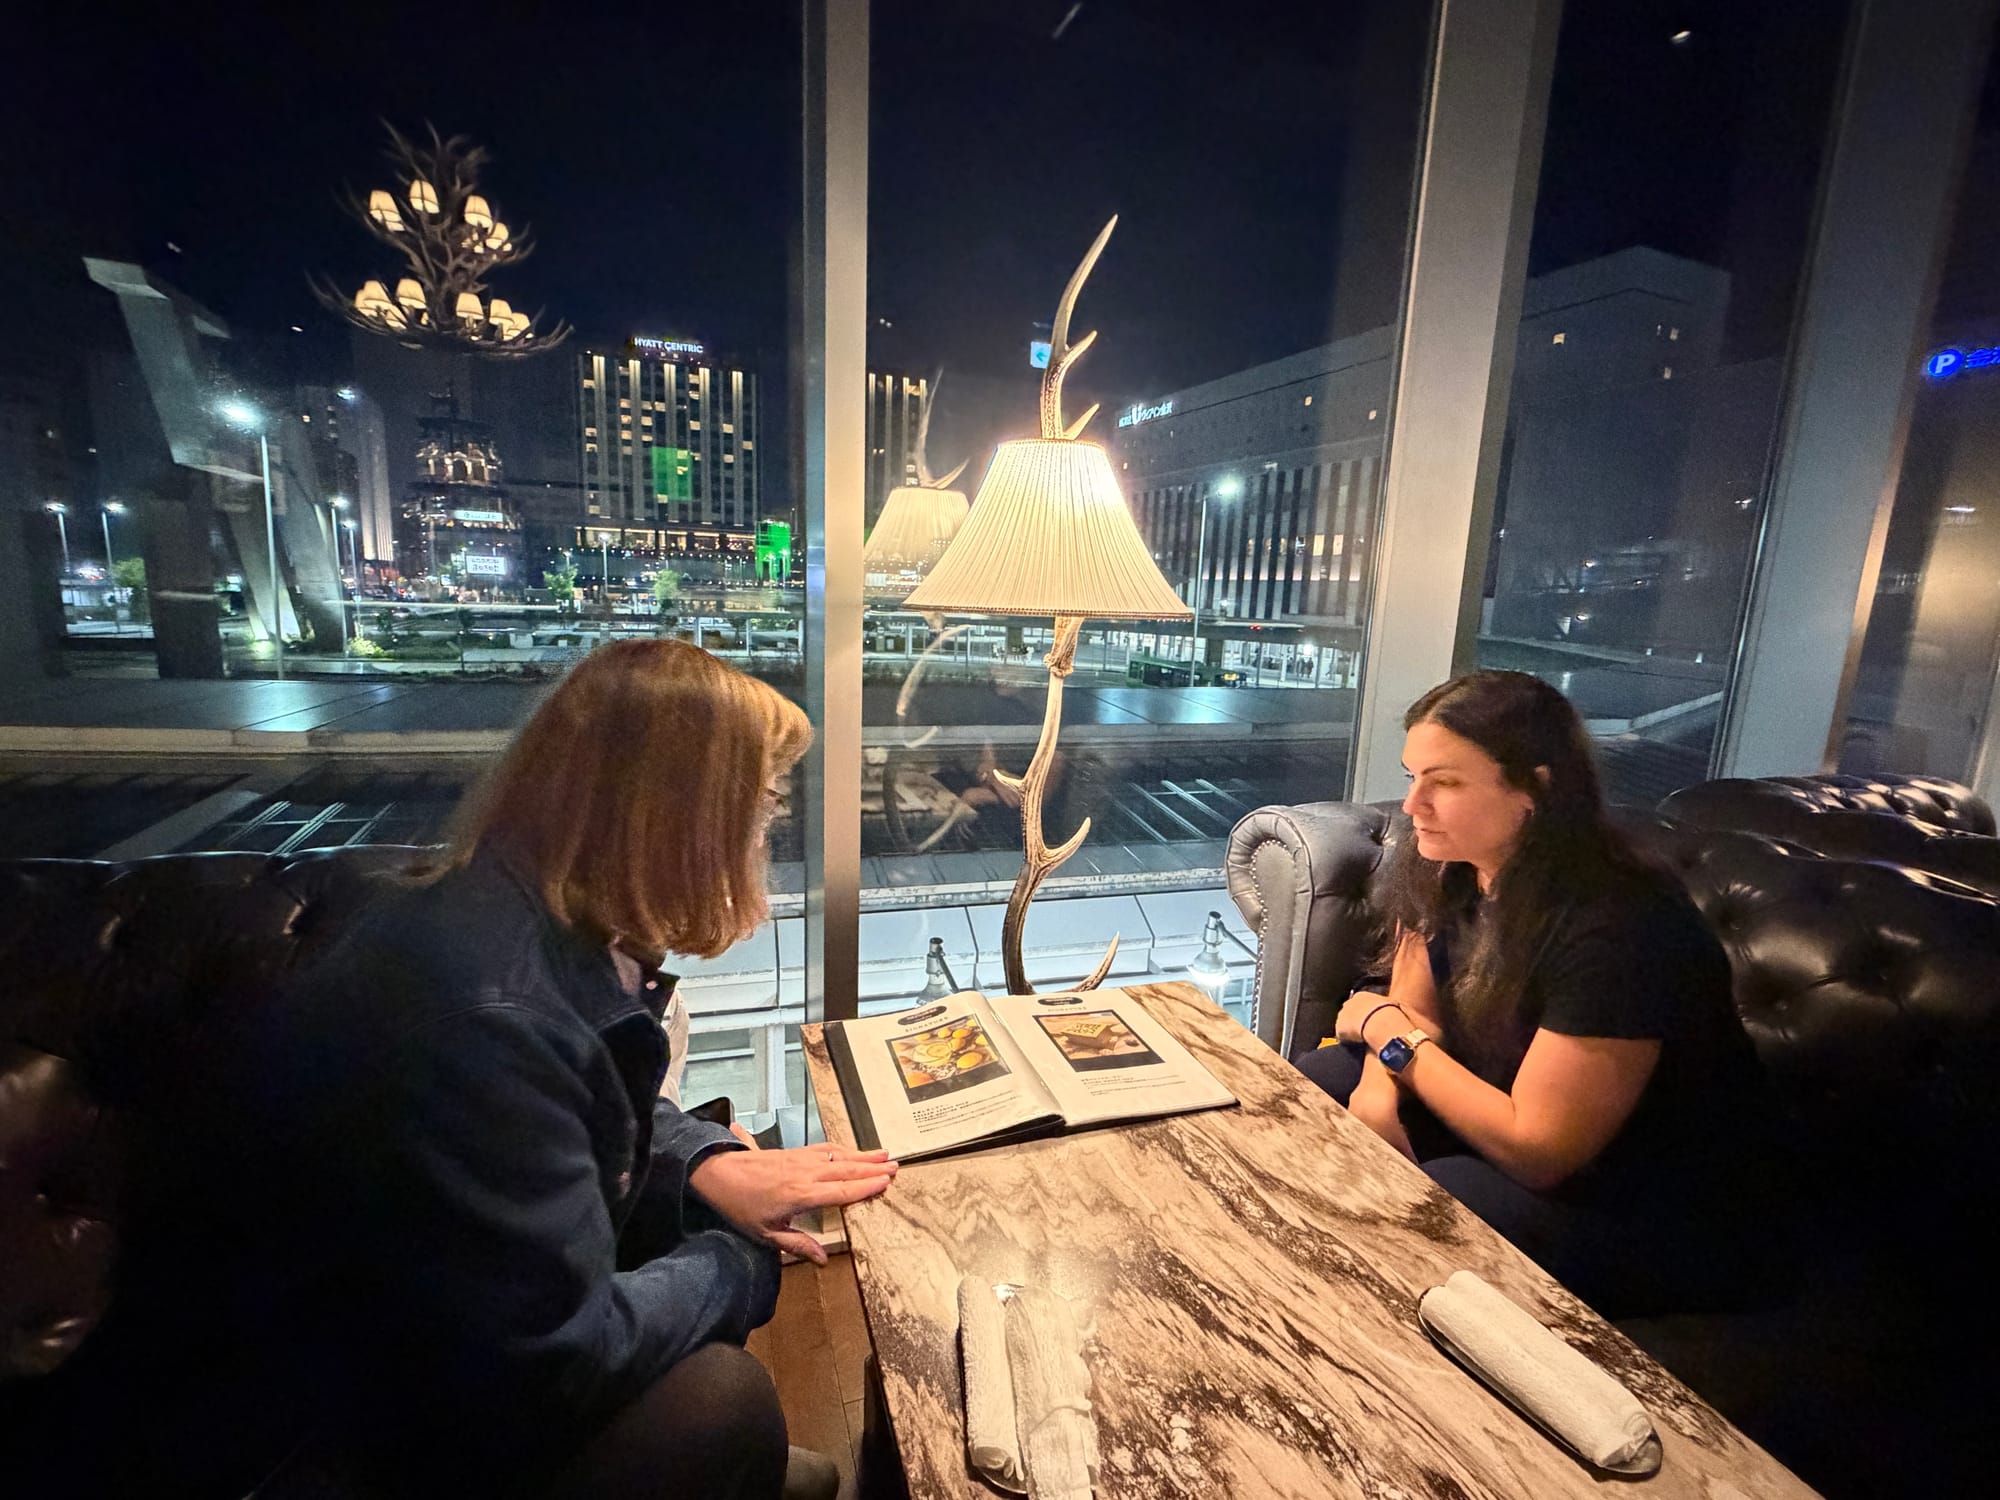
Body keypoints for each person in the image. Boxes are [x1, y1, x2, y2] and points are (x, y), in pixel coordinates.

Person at [140, 641, 886, 1500]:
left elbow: (576, 1109)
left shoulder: (505, 912)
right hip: (312, 1431)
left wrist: (703, 1164)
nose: (766, 833)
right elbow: (556, 1357)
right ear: (680, 818)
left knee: (700, 1305)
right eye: (762, 806)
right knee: (727, 1400)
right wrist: (737, 1262)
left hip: (374, 1339)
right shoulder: (491, 1019)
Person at [1295, 670, 1782, 1317]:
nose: (1412, 805)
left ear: (1535, 790)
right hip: (1509, 1116)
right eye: (1412, 777)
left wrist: (1388, 1035)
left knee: (1444, 1198)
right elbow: (1413, 1013)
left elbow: (1538, 1151)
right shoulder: (1447, 863)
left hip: (1648, 1200)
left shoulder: (1621, 924)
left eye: (1445, 782)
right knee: (1322, 1081)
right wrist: (1377, 1094)